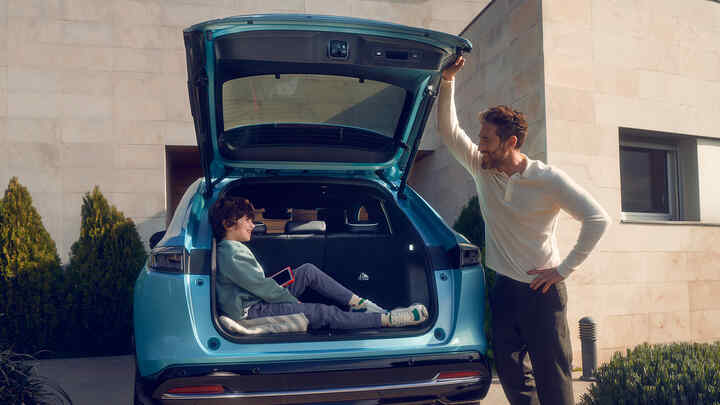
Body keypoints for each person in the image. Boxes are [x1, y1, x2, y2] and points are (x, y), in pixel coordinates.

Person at [438, 56, 610, 405]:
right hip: (504, 289)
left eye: (486, 139)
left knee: (553, 375)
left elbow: (597, 219)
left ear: (510, 141)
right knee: (513, 374)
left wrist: (563, 270)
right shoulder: (482, 168)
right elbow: (448, 131)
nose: (479, 145)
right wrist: (447, 82)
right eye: (480, 138)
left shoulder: (547, 180)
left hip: (541, 291)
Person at [209, 195, 428, 330]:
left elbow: (258, 285)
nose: (252, 224)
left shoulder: (231, 249)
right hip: (251, 310)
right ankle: (387, 319)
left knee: (307, 271)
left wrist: (286, 296)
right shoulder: (230, 253)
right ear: (229, 223)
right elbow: (264, 288)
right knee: (322, 313)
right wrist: (295, 305)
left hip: (254, 298)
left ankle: (361, 304)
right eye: (247, 219)